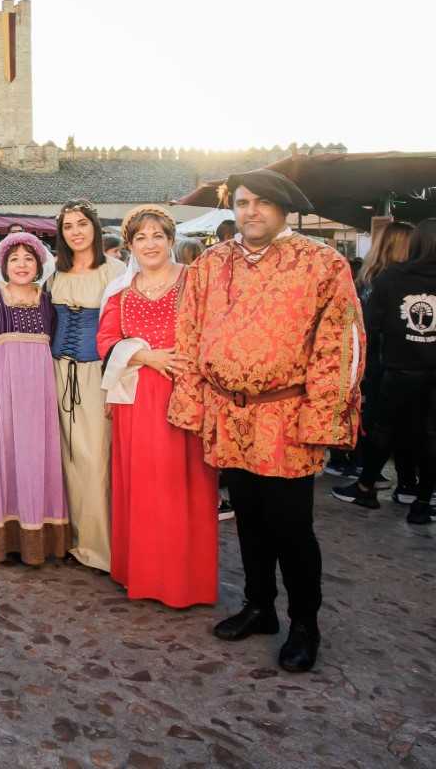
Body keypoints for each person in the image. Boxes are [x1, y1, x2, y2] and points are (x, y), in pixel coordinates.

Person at [169, 168, 363, 673]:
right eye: (242, 201)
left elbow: (339, 344)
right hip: (228, 413)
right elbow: (187, 335)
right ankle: (260, 607)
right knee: (248, 519)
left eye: (260, 202)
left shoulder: (322, 263)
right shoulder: (211, 263)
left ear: (282, 208)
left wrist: (322, 419)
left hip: (286, 416)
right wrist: (193, 404)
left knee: (292, 527)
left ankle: (305, 624)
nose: (249, 211)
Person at [97, 206, 217, 607]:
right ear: (131, 245)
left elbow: (214, 329)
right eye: (141, 238)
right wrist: (147, 357)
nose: (150, 244)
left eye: (157, 236)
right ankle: (143, 574)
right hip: (137, 398)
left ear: (170, 240)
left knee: (183, 485)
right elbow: (105, 341)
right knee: (144, 484)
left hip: (184, 395)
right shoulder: (121, 292)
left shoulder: (195, 282)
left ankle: (186, 582)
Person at [0, 232, 69, 566]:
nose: (22, 264)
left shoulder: (49, 302)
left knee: (37, 460)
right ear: (4, 265)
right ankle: (0, 539)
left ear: (39, 264)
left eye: (29, 258)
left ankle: (37, 535)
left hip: (40, 397)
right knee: (2, 458)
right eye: (15, 258)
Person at [331, 218, 435, 524]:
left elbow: (369, 328)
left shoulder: (391, 278)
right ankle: (422, 501)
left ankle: (366, 487)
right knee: (430, 436)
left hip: (396, 370)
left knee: (382, 429)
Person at [47, 200, 125, 571]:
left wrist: (117, 383)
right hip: (57, 373)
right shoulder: (54, 274)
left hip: (96, 376)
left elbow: (124, 330)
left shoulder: (116, 272)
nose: (76, 231)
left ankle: (100, 547)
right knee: (65, 458)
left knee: (95, 459)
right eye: (68, 227)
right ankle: (70, 538)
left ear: (94, 226)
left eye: (82, 224)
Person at [326, 221, 416, 488]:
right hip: (380, 363)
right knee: (384, 420)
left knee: (383, 419)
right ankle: (366, 471)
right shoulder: (386, 282)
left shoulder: (368, 279)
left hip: (375, 362)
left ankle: (364, 469)